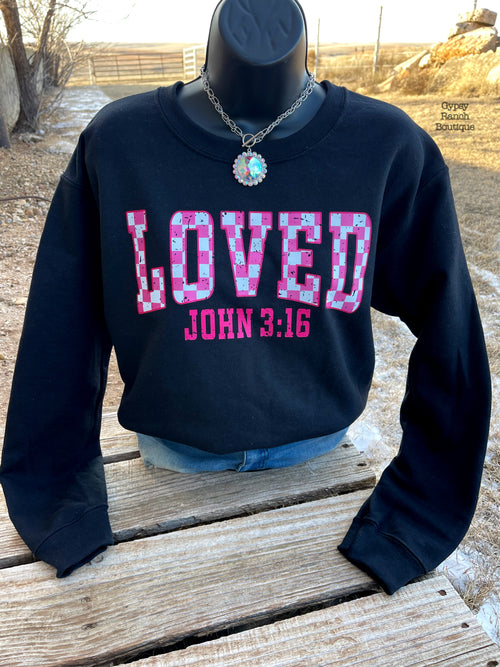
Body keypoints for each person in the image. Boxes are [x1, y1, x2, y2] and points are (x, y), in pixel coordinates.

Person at [0, 0, 491, 595]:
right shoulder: (120, 143)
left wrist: (415, 516)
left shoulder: (387, 146)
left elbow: (452, 334)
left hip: (322, 453)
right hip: (171, 460)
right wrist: (59, 507)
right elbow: (61, 323)